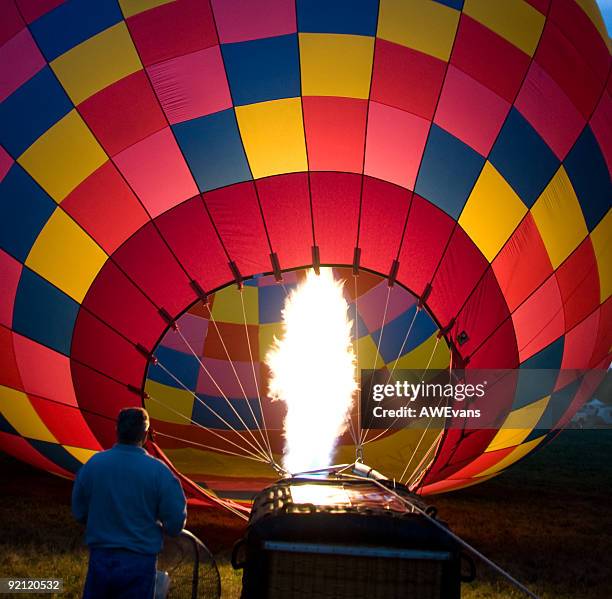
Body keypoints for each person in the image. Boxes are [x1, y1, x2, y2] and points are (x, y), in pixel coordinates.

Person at [72, 407, 187, 599]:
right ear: (145, 434)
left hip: (101, 558)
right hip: (139, 562)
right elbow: (175, 522)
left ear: (116, 430)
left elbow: (79, 511)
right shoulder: (159, 472)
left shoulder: (94, 465)